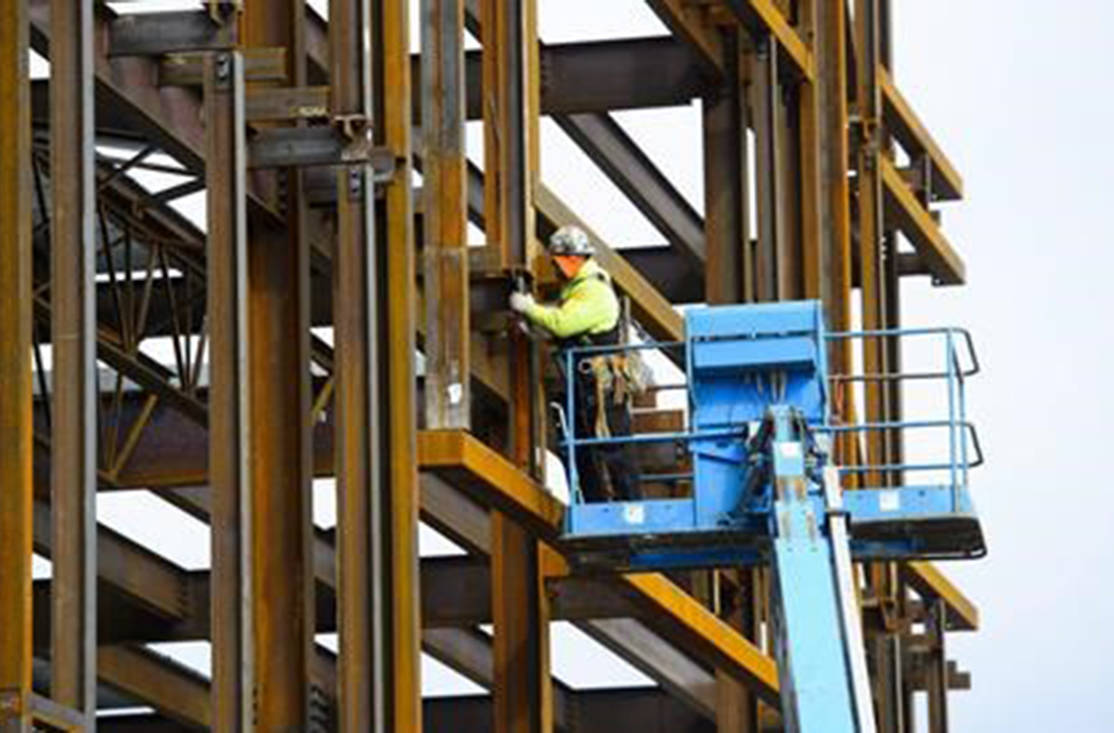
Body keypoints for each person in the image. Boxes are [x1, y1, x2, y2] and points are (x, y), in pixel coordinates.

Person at [509, 225, 640, 503]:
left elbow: (564, 323)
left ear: (572, 258)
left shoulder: (593, 290)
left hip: (603, 385)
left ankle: (630, 505)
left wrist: (529, 308)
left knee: (614, 447)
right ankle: (596, 503)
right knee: (583, 447)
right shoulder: (578, 290)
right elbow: (564, 326)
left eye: (557, 260)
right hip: (588, 384)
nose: (555, 267)